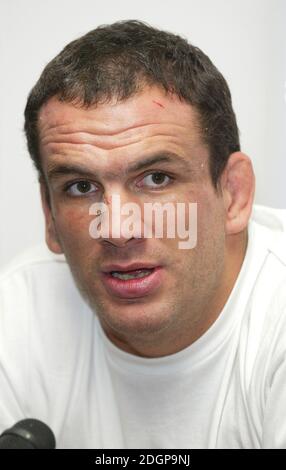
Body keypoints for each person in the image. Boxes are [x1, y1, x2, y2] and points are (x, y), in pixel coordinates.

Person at [0, 19, 286, 449]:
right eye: (81, 187)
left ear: (233, 194)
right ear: (49, 214)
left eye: (156, 178)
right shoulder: (19, 316)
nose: (117, 229)